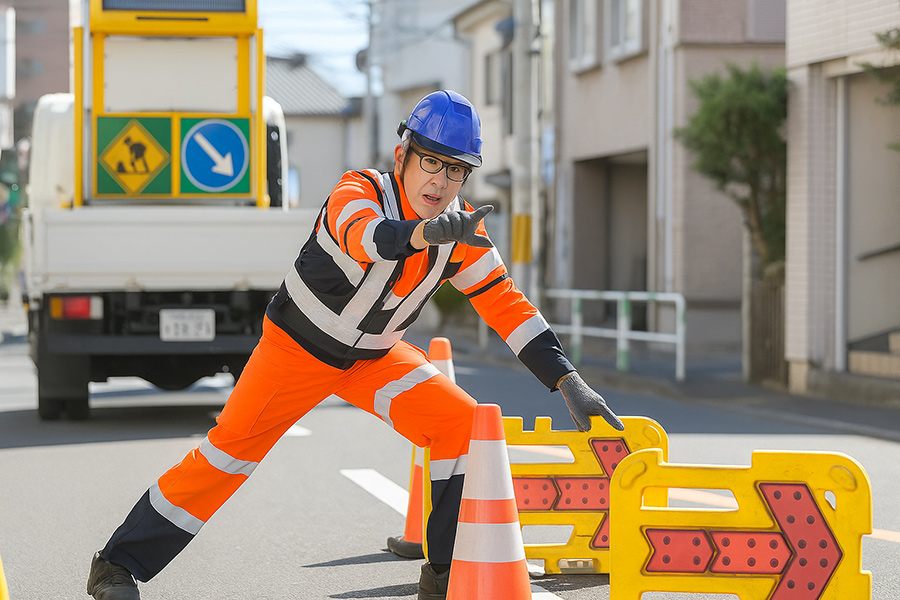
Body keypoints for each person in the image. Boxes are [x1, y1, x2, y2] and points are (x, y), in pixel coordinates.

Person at [86, 90, 624, 600]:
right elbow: (366, 238)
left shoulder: (463, 234)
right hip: (294, 351)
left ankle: (443, 574)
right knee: (227, 456)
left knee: (464, 426)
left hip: (376, 360)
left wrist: (567, 380)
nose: (441, 180)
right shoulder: (358, 191)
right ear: (403, 155)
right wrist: (423, 235)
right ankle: (116, 564)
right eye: (431, 162)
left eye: (456, 169)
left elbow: (507, 305)